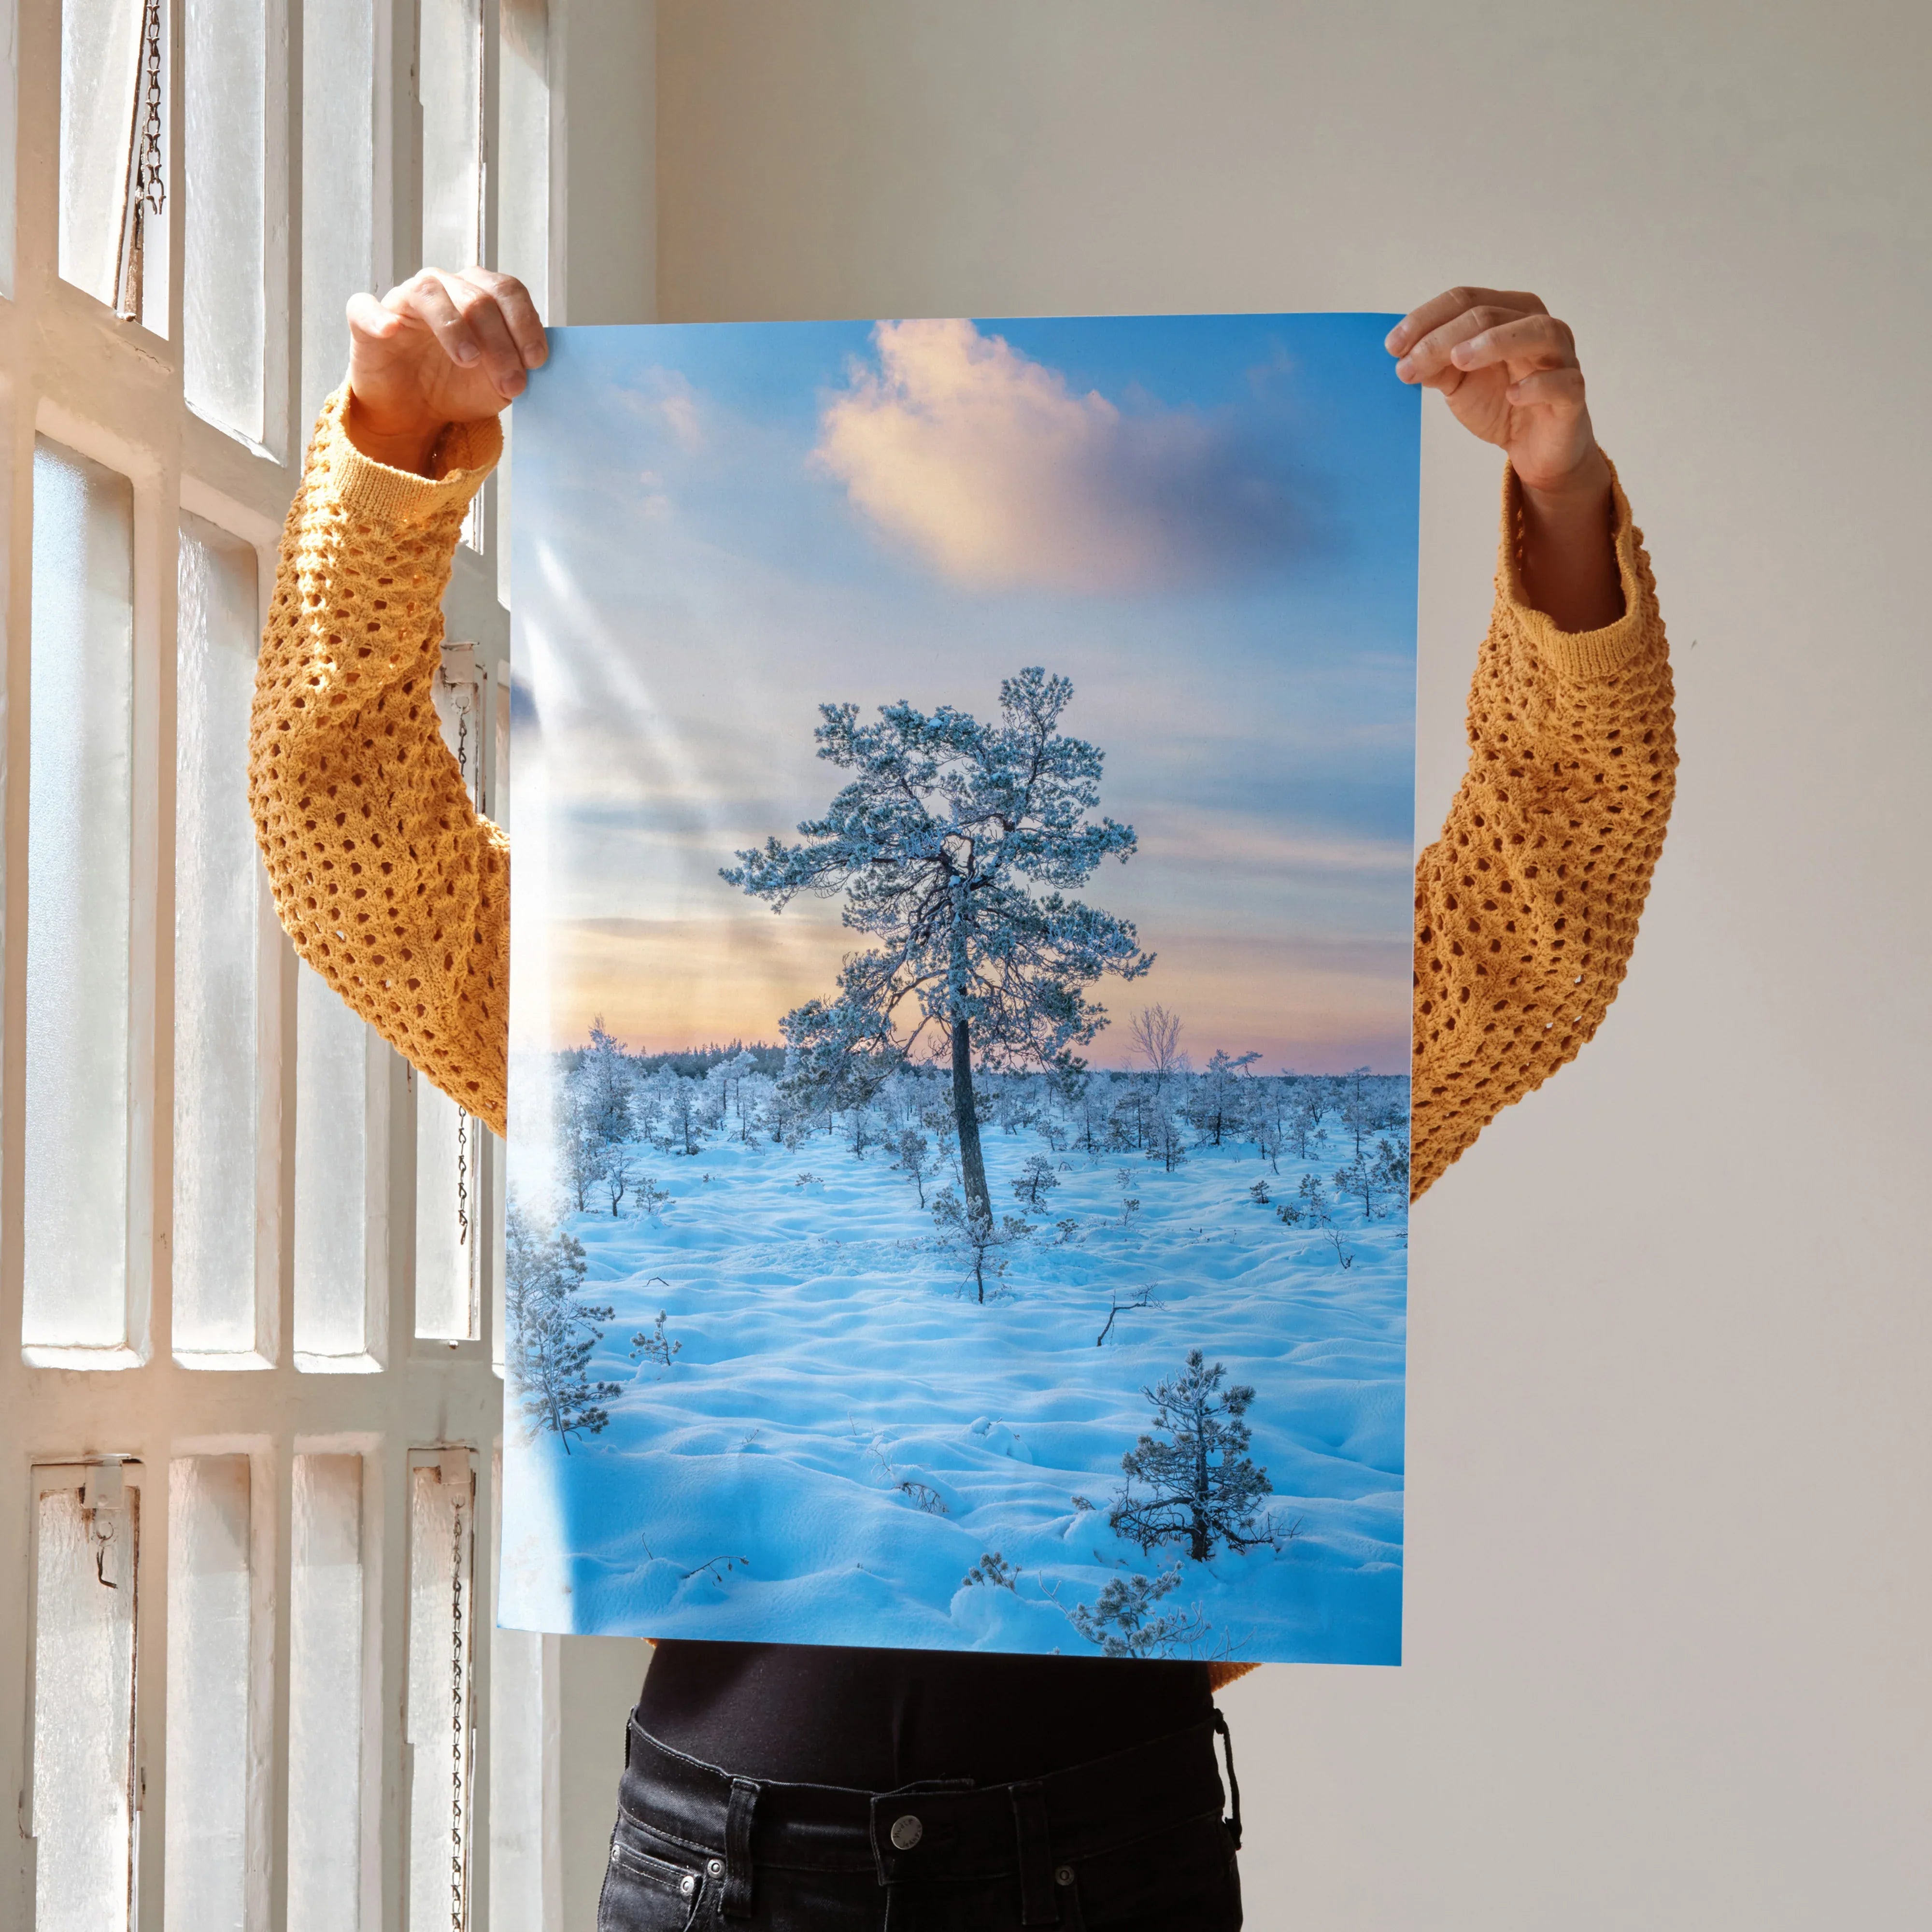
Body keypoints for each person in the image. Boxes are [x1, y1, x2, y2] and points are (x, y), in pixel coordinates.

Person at [250, 273, 1675, 1930]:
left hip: (1105, 1857)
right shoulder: (630, 1063)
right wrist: (393, 450)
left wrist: (1561, 500)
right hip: (726, 1872)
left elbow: (1543, 914)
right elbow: (345, 840)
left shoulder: (1252, 1106)